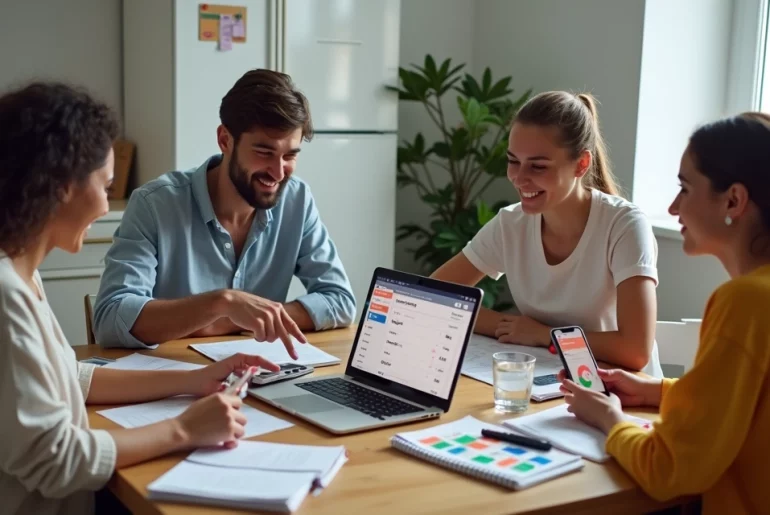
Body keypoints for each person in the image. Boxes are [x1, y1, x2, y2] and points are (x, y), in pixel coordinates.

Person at [0, 82, 281, 515]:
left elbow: (69, 378)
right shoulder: (6, 295)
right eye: (106, 185)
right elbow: (55, 460)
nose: (106, 205)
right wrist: (184, 429)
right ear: (61, 186)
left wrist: (193, 381)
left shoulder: (22, 271)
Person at [560, 112, 770, 514]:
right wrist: (659, 391)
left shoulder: (745, 303)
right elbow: (746, 408)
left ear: (733, 200)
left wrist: (610, 420)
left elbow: (668, 470)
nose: (673, 208)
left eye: (685, 189)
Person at [93, 69, 356, 350]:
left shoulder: (297, 200)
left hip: (257, 379)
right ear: (225, 140)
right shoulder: (154, 205)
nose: (278, 172)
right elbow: (111, 318)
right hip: (177, 382)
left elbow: (340, 301)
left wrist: (241, 318)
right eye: (264, 153)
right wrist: (223, 304)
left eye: (290, 155)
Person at [431, 91, 662, 375]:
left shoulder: (624, 225)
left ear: (581, 164)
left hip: (623, 398)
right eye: (513, 161)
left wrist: (546, 335)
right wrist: (513, 328)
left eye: (538, 166)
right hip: (552, 383)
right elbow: (434, 296)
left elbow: (635, 351)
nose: (519, 177)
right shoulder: (510, 224)